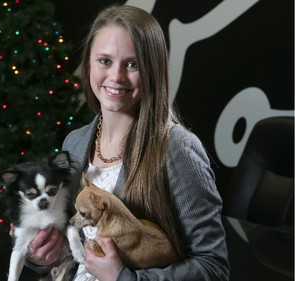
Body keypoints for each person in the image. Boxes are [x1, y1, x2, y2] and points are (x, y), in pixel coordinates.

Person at [22, 4, 229, 281]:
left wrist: (123, 277)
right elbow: (80, 251)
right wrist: (42, 255)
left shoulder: (177, 149)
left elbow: (214, 268)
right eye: (104, 61)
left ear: (152, 71)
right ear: (88, 65)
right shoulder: (75, 142)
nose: (116, 76)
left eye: (132, 64)